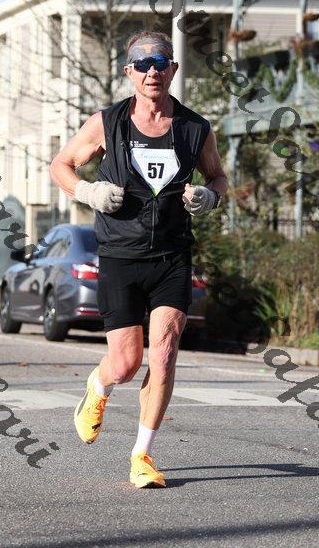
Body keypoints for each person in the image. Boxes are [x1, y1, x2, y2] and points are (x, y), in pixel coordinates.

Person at [50, 30, 228, 488]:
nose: (152, 71)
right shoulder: (107, 123)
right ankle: (98, 387)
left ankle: (142, 456)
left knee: (164, 352)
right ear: (129, 72)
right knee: (126, 364)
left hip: (172, 254)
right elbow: (61, 165)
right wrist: (88, 191)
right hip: (120, 255)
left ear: (173, 69)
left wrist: (209, 196)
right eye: (142, 63)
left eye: (161, 62)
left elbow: (218, 176)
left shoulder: (195, 128)